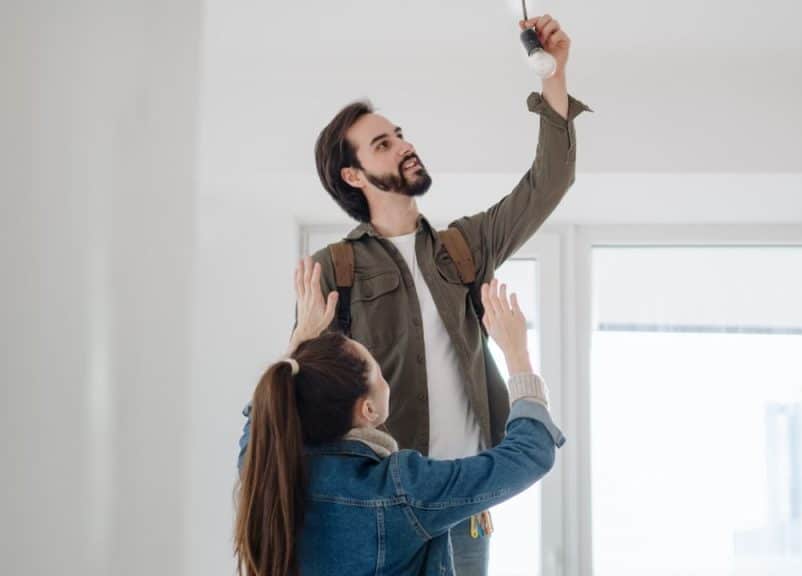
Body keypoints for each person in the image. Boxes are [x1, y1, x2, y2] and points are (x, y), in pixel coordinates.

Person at [308, 14, 588, 572]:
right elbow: (312, 400)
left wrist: (552, 75)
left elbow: (549, 182)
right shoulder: (334, 268)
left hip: (464, 500)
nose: (405, 146)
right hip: (383, 504)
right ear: (353, 176)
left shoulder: (464, 247)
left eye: (400, 134)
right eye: (383, 144)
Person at [235, 259, 564, 576]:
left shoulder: (269, 470)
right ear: (368, 410)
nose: (386, 380)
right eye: (379, 372)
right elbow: (530, 453)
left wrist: (299, 345)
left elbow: (266, 415)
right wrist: (517, 354)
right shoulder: (401, 489)